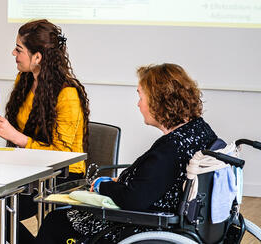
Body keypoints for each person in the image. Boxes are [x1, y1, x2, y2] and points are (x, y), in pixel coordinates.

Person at [34, 63, 218, 244]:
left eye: (141, 96)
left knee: (55, 222)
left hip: (144, 225)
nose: (138, 104)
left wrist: (101, 186)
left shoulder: (171, 149)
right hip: (175, 219)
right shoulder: (199, 130)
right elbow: (153, 182)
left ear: (158, 100)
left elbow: (133, 200)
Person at [0, 19, 90, 244]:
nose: (13, 53)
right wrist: (1, 126)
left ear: (38, 57)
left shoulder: (67, 94)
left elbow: (60, 155)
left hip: (63, 176)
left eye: (19, 49)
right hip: (29, 169)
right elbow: (24, 131)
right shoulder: (25, 79)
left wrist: (14, 136)